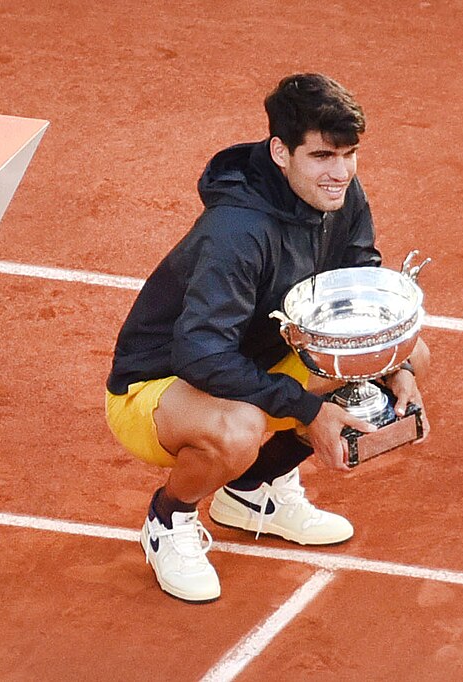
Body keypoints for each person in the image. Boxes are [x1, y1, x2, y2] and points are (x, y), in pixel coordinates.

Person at [105, 73, 430, 603]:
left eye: (349, 154)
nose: (340, 172)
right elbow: (201, 353)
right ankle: (168, 519)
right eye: (322, 156)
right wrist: (307, 409)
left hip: (256, 359)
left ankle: (253, 492)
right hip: (161, 387)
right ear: (281, 152)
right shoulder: (236, 231)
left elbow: (359, 284)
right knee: (239, 428)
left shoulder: (339, 194)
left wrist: (395, 368)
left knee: (408, 353)